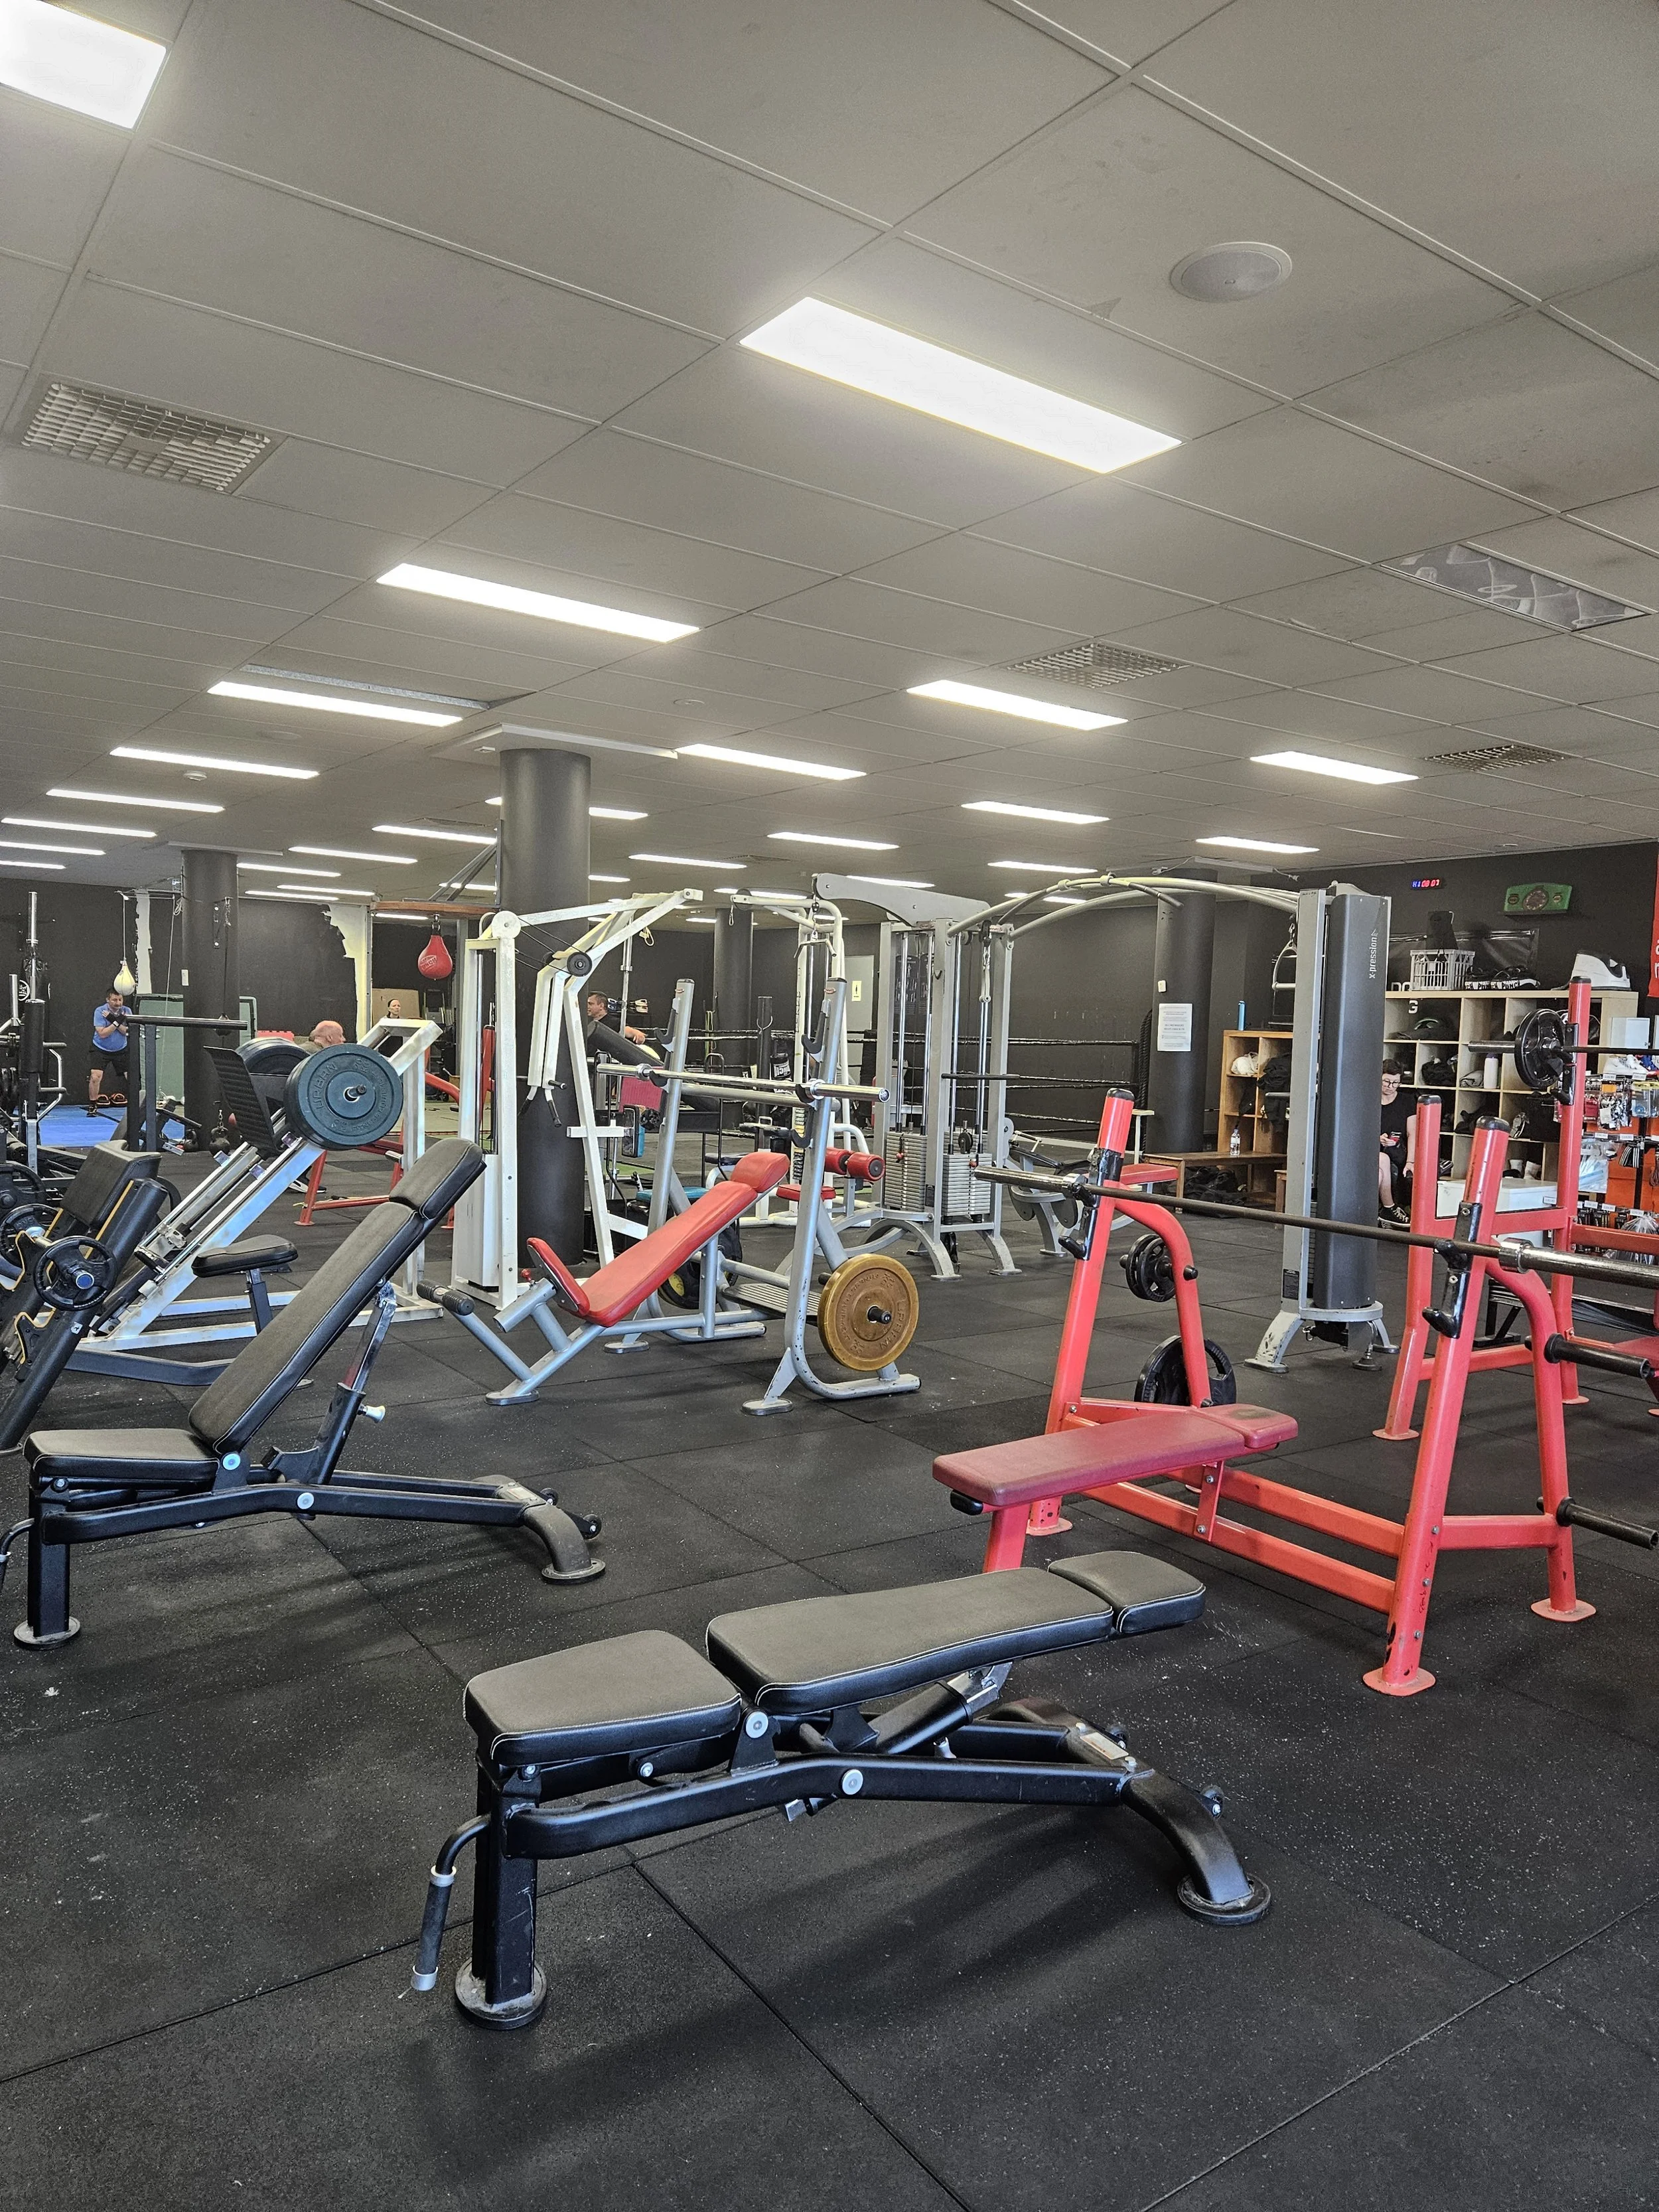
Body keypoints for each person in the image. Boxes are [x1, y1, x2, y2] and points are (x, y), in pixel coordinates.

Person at [1379, 1057, 1416, 1224]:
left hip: (1398, 1150)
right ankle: (1389, 1208)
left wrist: (1411, 1161)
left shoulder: (1406, 1101)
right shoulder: (1369, 1100)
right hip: (1373, 1150)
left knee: (1381, 1173)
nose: (1390, 1087)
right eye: (1386, 1082)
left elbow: (1413, 1133)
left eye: (1395, 1083)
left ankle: (1386, 1210)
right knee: (1383, 1159)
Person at [89, 987, 130, 1104]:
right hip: (101, 1048)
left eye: (120, 1000)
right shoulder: (100, 1011)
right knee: (95, 1076)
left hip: (121, 1048)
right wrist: (118, 1021)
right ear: (108, 1000)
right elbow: (102, 1034)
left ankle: (137, 1106)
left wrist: (112, 1020)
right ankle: (93, 1105)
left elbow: (127, 1032)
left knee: (133, 1078)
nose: (118, 1003)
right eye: (115, 1000)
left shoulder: (127, 1011)